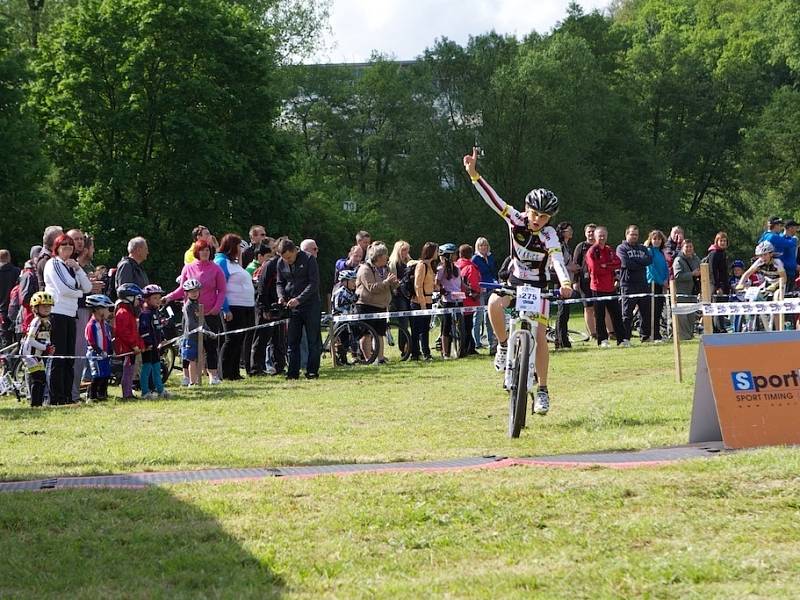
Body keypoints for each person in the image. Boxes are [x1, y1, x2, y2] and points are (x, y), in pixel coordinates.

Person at [464, 147, 573, 415]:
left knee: (540, 336)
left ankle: (543, 389)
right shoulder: (515, 219)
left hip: (539, 286)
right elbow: (494, 200)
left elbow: (558, 260)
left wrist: (566, 283)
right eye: (535, 214)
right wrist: (475, 175)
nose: (537, 220)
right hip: (514, 280)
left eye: (544, 217)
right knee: (493, 304)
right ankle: (503, 345)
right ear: (527, 209)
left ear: (550, 219)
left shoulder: (549, 236)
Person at [165, 239, 226, 384]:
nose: (205, 252)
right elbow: (182, 289)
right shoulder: (188, 268)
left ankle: (213, 375)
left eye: (207, 250)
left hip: (210, 313)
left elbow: (222, 290)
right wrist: (168, 297)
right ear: (196, 252)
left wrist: (216, 308)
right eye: (202, 250)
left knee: (211, 345)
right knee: (189, 345)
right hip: (191, 314)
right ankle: (187, 376)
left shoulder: (216, 268)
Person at [43, 234, 92, 405]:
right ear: (57, 248)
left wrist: (78, 269)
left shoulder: (71, 266)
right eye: (63, 246)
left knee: (69, 358)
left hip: (71, 315)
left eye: (70, 246)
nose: (68, 249)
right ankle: (55, 397)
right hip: (57, 313)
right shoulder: (53, 263)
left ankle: (67, 396)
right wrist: (78, 293)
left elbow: (88, 287)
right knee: (58, 358)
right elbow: (64, 289)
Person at [276, 239, 321, 379]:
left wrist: (299, 299)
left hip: (310, 305)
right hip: (292, 307)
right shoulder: (280, 263)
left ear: (295, 251)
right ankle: (292, 373)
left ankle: (312, 371)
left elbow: (313, 284)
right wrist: (281, 296)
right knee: (292, 341)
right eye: (284, 258)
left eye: (289, 257)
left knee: (313, 340)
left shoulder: (309, 259)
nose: (287, 261)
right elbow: (280, 282)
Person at [215, 234, 256, 381]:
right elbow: (220, 287)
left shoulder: (234, 263)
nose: (241, 250)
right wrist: (225, 309)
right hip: (233, 307)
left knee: (239, 340)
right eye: (238, 246)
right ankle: (225, 372)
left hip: (245, 307)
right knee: (231, 339)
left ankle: (234, 372)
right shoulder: (221, 262)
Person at [355, 242, 398, 364]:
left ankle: (380, 359)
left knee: (380, 333)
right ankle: (368, 359)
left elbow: (390, 285)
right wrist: (386, 282)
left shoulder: (386, 268)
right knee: (366, 334)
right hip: (366, 305)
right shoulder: (365, 269)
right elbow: (371, 288)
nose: (387, 257)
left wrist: (395, 283)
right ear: (378, 257)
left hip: (381, 306)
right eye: (385, 255)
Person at [585, 226, 627, 348]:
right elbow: (595, 268)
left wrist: (605, 266)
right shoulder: (592, 251)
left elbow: (618, 263)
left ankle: (622, 339)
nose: (602, 237)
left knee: (616, 314)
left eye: (604, 235)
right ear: (595, 236)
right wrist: (608, 267)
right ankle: (602, 340)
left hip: (611, 287)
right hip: (597, 288)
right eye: (600, 235)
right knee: (599, 316)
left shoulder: (609, 249)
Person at [253, 243, 287, 376]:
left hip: (278, 306)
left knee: (278, 339)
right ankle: (257, 368)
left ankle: (279, 366)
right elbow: (262, 288)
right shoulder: (270, 265)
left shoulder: (287, 265)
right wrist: (264, 308)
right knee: (261, 339)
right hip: (265, 306)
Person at [616, 225, 653, 343]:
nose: (634, 237)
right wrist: (640, 263)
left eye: (636, 235)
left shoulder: (643, 248)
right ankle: (625, 337)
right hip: (628, 284)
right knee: (627, 313)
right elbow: (625, 263)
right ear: (626, 235)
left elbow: (648, 260)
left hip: (643, 283)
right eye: (632, 234)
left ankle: (645, 336)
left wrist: (637, 262)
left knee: (645, 312)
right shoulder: (621, 248)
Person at [21, 291, 55, 407]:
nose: (47, 308)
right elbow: (30, 340)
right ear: (35, 308)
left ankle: (38, 403)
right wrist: (45, 347)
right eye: (43, 306)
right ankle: (35, 404)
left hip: (38, 354)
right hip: (29, 353)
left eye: (49, 306)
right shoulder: (36, 322)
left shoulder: (48, 323)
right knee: (39, 378)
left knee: (41, 379)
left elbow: (46, 339)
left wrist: (49, 348)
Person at [139, 284, 170, 398]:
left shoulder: (155, 312)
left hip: (156, 346)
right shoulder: (145, 314)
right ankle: (145, 392)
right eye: (155, 298)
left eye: (159, 298)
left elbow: (157, 328)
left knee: (157, 368)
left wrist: (162, 339)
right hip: (149, 347)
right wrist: (148, 343)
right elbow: (144, 330)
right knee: (147, 369)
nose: (158, 300)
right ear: (147, 299)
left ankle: (160, 390)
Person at [436, 243, 466, 359]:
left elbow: (461, 283)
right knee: (446, 326)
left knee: (460, 323)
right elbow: (436, 283)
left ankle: (460, 348)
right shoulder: (441, 268)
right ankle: (445, 353)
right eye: (453, 254)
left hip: (458, 298)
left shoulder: (457, 268)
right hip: (447, 299)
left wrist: (469, 289)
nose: (455, 256)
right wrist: (442, 290)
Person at [114, 283, 145, 399]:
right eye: (137, 298)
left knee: (130, 370)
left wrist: (139, 344)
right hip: (126, 348)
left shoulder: (128, 311)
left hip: (130, 347)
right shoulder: (123, 312)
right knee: (127, 371)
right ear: (129, 297)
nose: (138, 302)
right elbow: (125, 333)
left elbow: (133, 331)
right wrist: (134, 345)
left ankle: (129, 392)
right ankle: (126, 394)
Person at [553, 223, 579, 349]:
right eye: (569, 230)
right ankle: (560, 340)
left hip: (567, 281)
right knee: (562, 312)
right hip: (560, 283)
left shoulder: (566, 246)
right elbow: (554, 265)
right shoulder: (560, 247)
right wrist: (571, 267)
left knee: (565, 312)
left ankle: (562, 339)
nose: (571, 232)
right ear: (562, 232)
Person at [409, 242, 437, 361]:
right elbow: (418, 286)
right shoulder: (422, 266)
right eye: (436, 250)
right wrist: (422, 304)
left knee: (425, 328)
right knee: (417, 329)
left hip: (429, 300)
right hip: (420, 302)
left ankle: (425, 352)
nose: (438, 253)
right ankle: (416, 353)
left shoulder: (430, 266)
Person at [84, 294, 114, 402]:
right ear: (97, 309)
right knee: (97, 375)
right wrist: (99, 351)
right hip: (95, 355)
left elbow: (107, 338)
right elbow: (91, 341)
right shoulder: (91, 325)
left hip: (105, 354)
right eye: (106, 308)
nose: (109, 311)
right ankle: (91, 396)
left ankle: (102, 394)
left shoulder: (104, 324)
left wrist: (110, 349)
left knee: (106, 374)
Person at [471, 237, 497, 352]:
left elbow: (494, 271)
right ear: (478, 247)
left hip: (492, 286)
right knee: (479, 316)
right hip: (481, 288)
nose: (484, 247)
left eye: (485, 245)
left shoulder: (491, 257)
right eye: (481, 245)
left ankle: (491, 340)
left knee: (490, 315)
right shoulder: (475, 259)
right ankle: (476, 342)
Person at [572, 224, 597, 339]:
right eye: (589, 232)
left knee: (601, 306)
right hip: (584, 281)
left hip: (599, 281)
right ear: (585, 233)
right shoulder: (581, 247)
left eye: (593, 231)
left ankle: (606, 331)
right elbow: (575, 265)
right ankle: (592, 333)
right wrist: (575, 281)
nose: (591, 234)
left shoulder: (600, 246)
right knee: (588, 307)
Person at [673, 240, 702, 340]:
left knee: (691, 315)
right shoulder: (678, 260)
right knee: (682, 316)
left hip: (693, 292)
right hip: (681, 292)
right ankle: (683, 336)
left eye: (691, 247)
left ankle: (690, 335)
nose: (689, 249)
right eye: (687, 247)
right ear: (682, 248)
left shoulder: (696, 259)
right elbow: (677, 276)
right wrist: (692, 274)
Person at [455, 244, 481, 356]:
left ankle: (465, 347)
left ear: (460, 254)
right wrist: (476, 293)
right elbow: (474, 283)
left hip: (456, 298)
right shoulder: (471, 267)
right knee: (468, 325)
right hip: (469, 299)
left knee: (461, 326)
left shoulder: (455, 266)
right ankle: (468, 348)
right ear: (471, 255)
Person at [644, 230, 668, 343]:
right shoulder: (650, 251)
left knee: (658, 310)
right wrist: (660, 280)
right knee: (653, 310)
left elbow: (665, 268)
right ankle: (652, 335)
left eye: (659, 239)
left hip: (661, 283)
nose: (657, 241)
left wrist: (666, 280)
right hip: (652, 283)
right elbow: (651, 268)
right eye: (654, 239)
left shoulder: (661, 252)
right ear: (650, 240)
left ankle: (657, 334)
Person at [180, 278, 203, 386]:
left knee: (199, 359)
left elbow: (202, 320)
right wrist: (199, 329)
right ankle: (192, 382)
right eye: (191, 291)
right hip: (189, 337)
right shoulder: (188, 306)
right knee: (191, 360)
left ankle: (197, 379)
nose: (194, 294)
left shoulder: (198, 304)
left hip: (198, 336)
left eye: (196, 291)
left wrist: (208, 331)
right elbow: (190, 323)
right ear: (187, 293)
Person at [706, 232, 730, 333]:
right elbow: (712, 271)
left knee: (721, 307)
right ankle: (718, 328)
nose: (723, 243)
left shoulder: (723, 253)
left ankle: (720, 327)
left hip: (723, 284)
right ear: (717, 241)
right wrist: (717, 287)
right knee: (716, 306)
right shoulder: (714, 253)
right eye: (721, 241)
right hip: (715, 285)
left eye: (724, 241)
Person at [0, 249, 21, 347]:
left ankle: (5, 361)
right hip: (15, 310)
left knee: (5, 340)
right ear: (9, 258)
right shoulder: (17, 271)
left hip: (1, 312)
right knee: (17, 340)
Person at [36, 225, 63, 292]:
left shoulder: (54, 257)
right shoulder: (46, 260)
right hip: (50, 300)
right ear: (55, 241)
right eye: (62, 238)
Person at [782, 220, 799, 292]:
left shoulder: (794, 239)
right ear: (790, 228)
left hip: (792, 273)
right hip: (783, 272)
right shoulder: (780, 239)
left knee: (790, 295)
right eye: (796, 227)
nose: (797, 229)